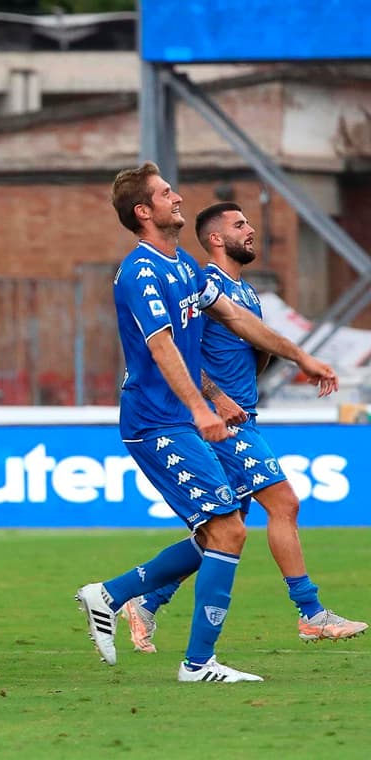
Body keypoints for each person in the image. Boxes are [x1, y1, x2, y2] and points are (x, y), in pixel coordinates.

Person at [74, 162, 338, 683]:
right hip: (155, 421)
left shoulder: (187, 268)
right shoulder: (140, 271)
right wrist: (202, 406)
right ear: (143, 211)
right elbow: (161, 345)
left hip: (181, 420)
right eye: (165, 193)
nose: (177, 197)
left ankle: (114, 595)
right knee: (229, 529)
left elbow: (237, 319)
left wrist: (300, 357)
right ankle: (196, 661)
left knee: (221, 530)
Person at [117, 201, 367, 652]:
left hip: (244, 416)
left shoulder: (246, 293)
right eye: (239, 224)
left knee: (220, 533)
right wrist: (214, 398)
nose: (250, 229)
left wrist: (288, 360)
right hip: (221, 424)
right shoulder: (205, 284)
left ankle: (146, 600)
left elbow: (255, 349)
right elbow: (183, 353)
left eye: (248, 222)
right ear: (216, 238)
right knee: (284, 504)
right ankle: (310, 613)